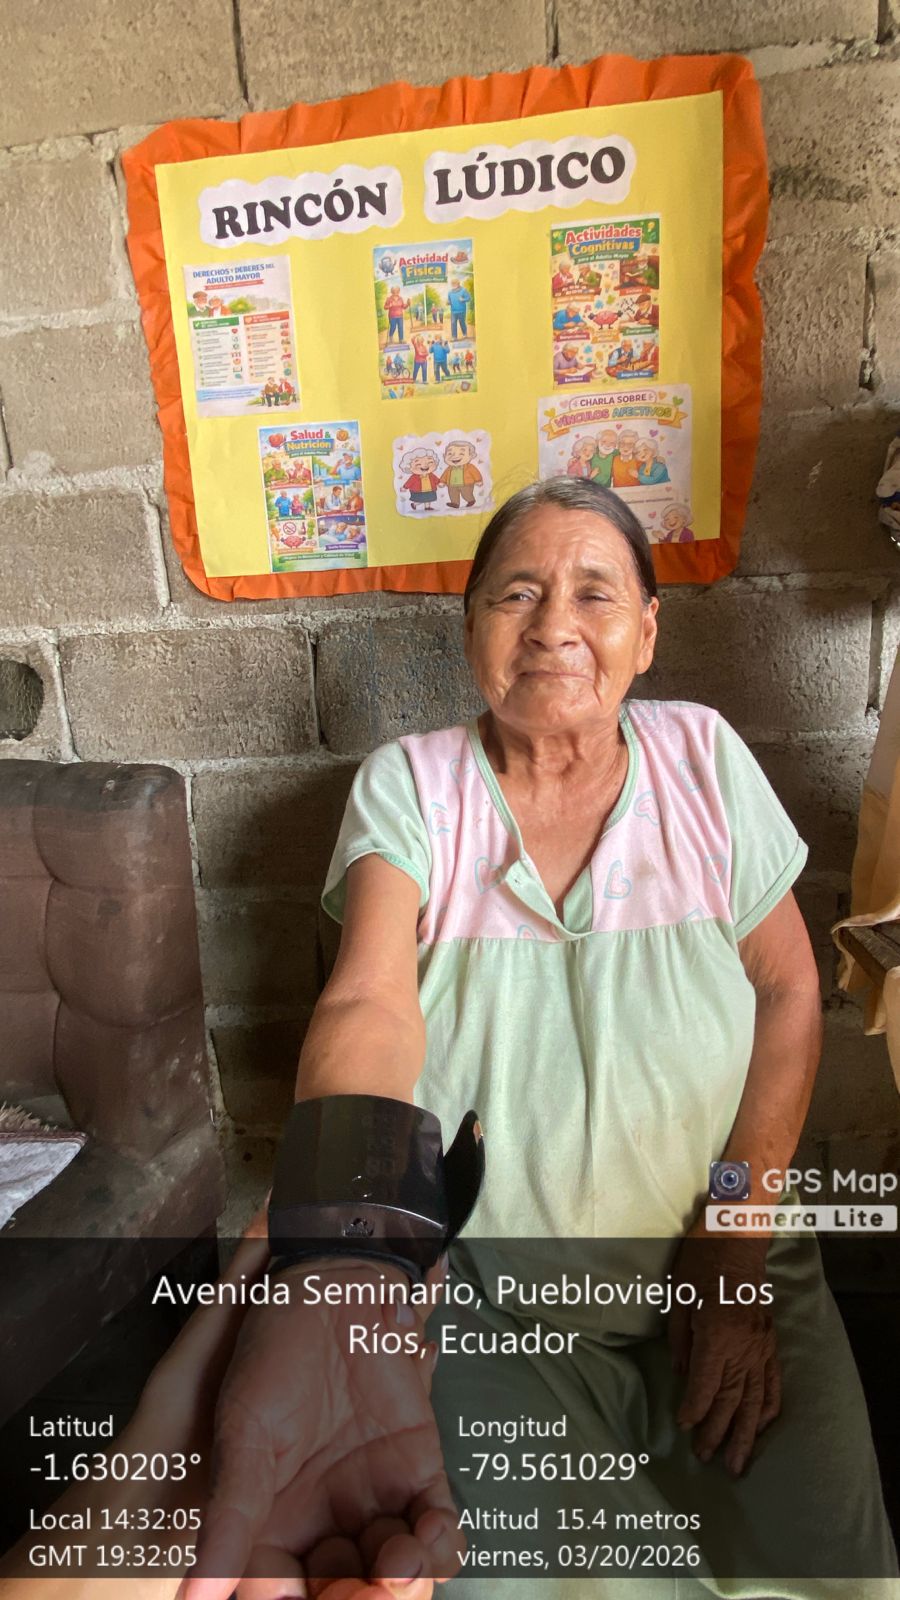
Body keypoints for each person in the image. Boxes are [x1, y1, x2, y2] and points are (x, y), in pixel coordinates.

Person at [181, 480, 899, 1600]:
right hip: (491, 1301)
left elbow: (789, 991)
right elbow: (369, 1006)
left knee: (828, 1573)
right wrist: (347, 1262)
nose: (554, 623)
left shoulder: (703, 761)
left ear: (647, 632)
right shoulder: (411, 787)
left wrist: (733, 1241)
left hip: (729, 1255)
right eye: (516, 593)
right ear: (470, 629)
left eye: (594, 593)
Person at [438, 438, 483, 508]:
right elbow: (444, 475)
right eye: (450, 453)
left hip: (466, 484)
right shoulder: (449, 468)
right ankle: (455, 503)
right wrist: (442, 482)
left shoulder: (470, 467)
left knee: (466, 494)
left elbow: (475, 473)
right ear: (444, 456)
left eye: (461, 453)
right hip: (452, 484)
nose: (454, 456)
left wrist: (478, 480)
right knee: (453, 494)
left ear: (471, 456)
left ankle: (470, 500)